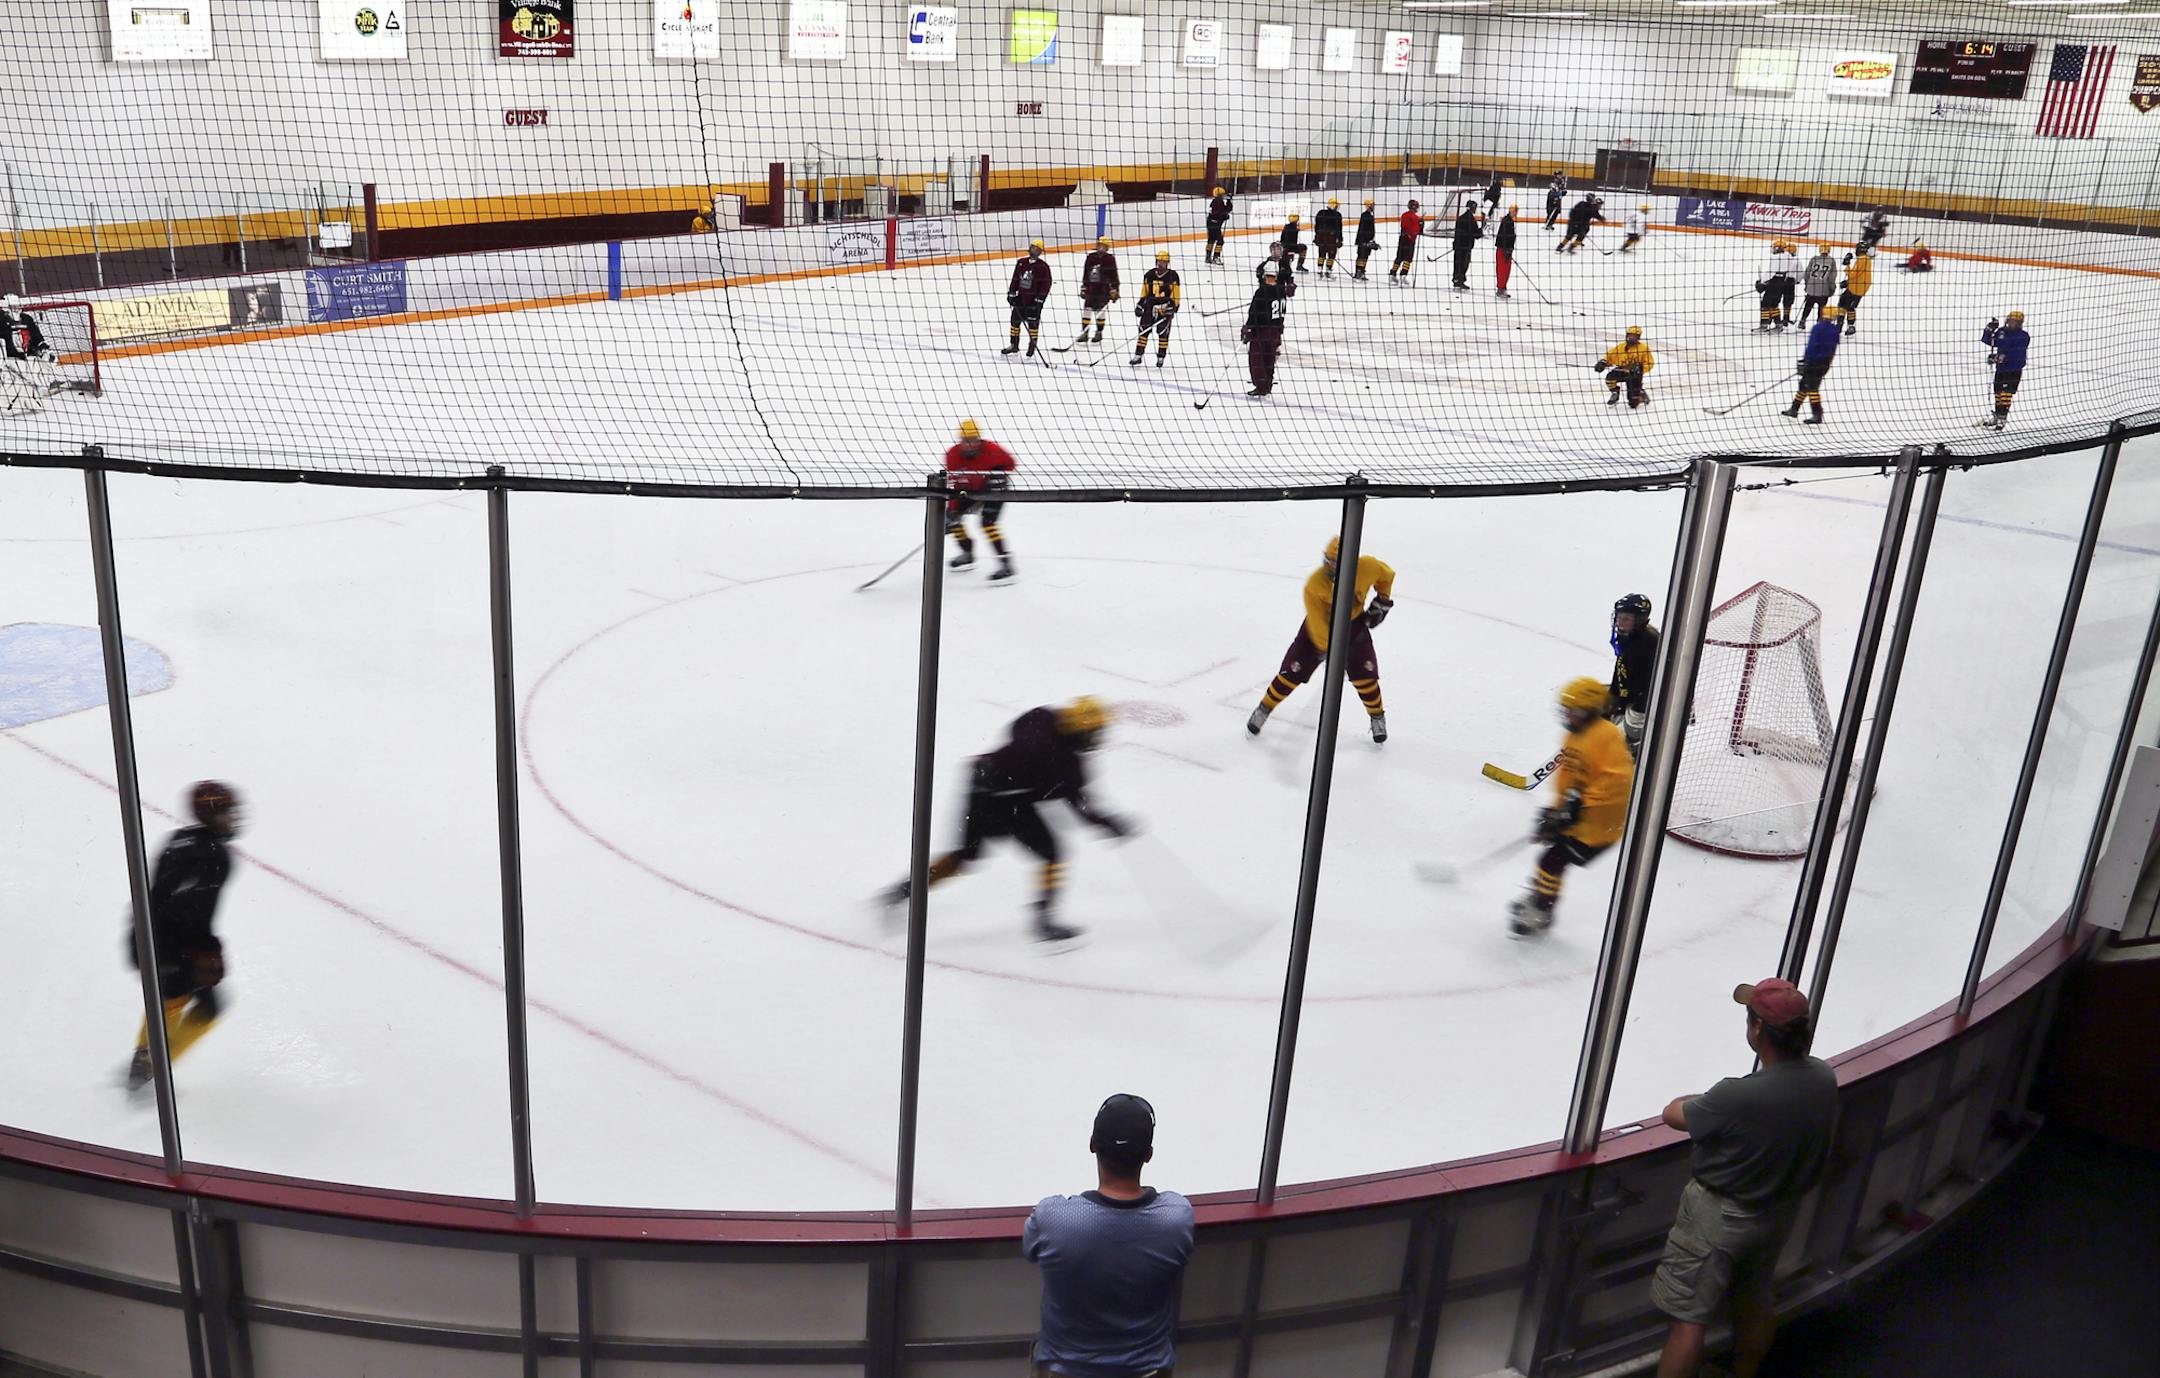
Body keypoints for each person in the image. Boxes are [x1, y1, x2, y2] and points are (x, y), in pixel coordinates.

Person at [1652, 979, 1839, 1378]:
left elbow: (1674, 1114)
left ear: (1758, 1030)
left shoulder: (1735, 1096)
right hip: (1777, 1212)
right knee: (1755, 1299)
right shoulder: (1823, 1077)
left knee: (1688, 1319)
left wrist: (1696, 1100)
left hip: (1720, 1219)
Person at [879, 699, 1134, 943]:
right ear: (1080, 731)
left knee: (963, 857)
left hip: (980, 783)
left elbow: (1017, 731)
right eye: (1095, 733)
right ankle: (1044, 921)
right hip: (1008, 801)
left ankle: (901, 891)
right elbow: (1079, 806)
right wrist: (1109, 824)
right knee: (1051, 854)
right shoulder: (1066, 764)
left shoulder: (1044, 717)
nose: (1097, 740)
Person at [1024, 1094, 1195, 1378]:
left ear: (1092, 1145)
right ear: (1148, 1154)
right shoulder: (1175, 1219)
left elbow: (1030, 1248)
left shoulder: (1053, 1218)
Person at [124, 782, 245, 1091]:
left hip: (153, 938)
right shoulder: (215, 855)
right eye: (229, 812)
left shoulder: (182, 840)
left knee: (172, 1002)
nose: (235, 818)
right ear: (212, 815)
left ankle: (143, 1067)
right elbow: (186, 907)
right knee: (198, 1006)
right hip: (171, 945)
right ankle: (145, 1073)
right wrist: (203, 951)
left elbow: (161, 896)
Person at [1508, 679, 1633, 936]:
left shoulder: (1606, 736)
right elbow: (1569, 778)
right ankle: (1542, 897)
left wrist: (1577, 805)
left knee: (1552, 860)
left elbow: (1617, 781)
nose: (1567, 715)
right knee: (1552, 860)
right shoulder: (1574, 735)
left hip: (1599, 825)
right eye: (1564, 710)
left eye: (1572, 711)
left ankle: (1542, 909)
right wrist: (1556, 811)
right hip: (1581, 817)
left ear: (1589, 711)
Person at [1247, 535, 1394, 743]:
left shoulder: (1367, 566)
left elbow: (1387, 575)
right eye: (1328, 560)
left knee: (1365, 677)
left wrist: (1383, 600)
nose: (1330, 566)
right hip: (1316, 633)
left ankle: (1377, 716)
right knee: (1291, 672)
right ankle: (1264, 708)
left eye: (1336, 562)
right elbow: (1317, 624)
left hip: (1353, 628)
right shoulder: (1314, 585)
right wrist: (1333, 652)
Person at [944, 419, 1018, 579]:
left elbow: (1011, 463)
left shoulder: (993, 450)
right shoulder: (952, 456)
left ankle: (1006, 564)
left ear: (979, 439)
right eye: (966, 440)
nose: (970, 444)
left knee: (987, 524)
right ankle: (967, 553)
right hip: (969, 490)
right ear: (960, 440)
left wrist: (996, 475)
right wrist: (952, 511)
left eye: (973, 440)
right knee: (952, 519)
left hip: (994, 490)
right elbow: (955, 483)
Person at [1608, 593, 1659, 754]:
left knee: (1621, 742)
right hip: (1633, 698)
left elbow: (1650, 685)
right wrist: (1614, 701)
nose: (1620, 623)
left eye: (1626, 619)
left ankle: (1634, 752)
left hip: (1645, 706)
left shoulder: (1648, 644)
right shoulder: (1628, 637)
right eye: (1619, 617)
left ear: (1640, 620)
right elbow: (1621, 670)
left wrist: (1636, 711)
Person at [1783, 304, 1841, 424]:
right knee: (1804, 384)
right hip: (1825, 363)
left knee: (1812, 387)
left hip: (1813, 362)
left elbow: (1812, 346)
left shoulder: (1818, 328)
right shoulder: (1835, 330)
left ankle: (1817, 414)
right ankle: (1794, 409)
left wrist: (1806, 360)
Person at [1240, 264, 1288, 398]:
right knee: (1269, 359)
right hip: (1276, 332)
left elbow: (1255, 312)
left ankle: (1260, 387)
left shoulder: (1261, 291)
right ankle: (1267, 385)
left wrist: (1249, 328)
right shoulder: (1281, 290)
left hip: (1262, 331)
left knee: (1256, 359)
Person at [1979, 310, 2028, 431]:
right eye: (2011, 320)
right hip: (2001, 369)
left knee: (2006, 393)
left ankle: (2002, 418)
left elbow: (2017, 352)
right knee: (1998, 392)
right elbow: (1989, 341)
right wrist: (1989, 330)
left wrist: (2002, 358)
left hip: (2014, 369)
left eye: (2015, 322)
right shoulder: (2002, 331)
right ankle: (1996, 416)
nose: (2012, 323)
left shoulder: (2023, 336)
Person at [1131, 250, 1180, 367]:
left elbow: (1176, 295)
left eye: (1163, 262)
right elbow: (1144, 293)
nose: (1161, 264)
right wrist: (1140, 304)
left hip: (1164, 308)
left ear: (1167, 263)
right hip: (1149, 307)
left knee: (1163, 333)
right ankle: (1138, 355)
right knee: (1143, 330)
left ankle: (1161, 357)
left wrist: (1173, 307)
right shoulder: (1149, 275)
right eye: (1159, 261)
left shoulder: (1173, 276)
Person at [1005, 240, 1053, 357]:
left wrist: (1039, 300)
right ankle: (1014, 345)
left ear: (1040, 252)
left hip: (1033, 301)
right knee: (1015, 321)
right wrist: (1012, 292)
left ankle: (1032, 344)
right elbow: (1016, 279)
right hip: (1021, 298)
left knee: (1033, 324)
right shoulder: (1021, 262)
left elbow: (1046, 285)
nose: (1033, 250)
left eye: (1036, 249)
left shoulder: (1043, 267)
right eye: (1032, 247)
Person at [1594, 325, 1654, 410]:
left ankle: (1640, 393)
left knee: (1633, 404)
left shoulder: (1644, 348)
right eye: (1630, 335)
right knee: (1610, 378)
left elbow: (1650, 363)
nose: (1631, 338)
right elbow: (1610, 356)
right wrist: (1603, 362)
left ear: (1638, 337)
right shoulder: (1621, 347)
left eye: (1634, 336)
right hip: (1622, 371)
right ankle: (1615, 392)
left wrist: (1640, 368)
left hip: (1635, 375)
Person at [1075, 237, 1121, 345]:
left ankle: (1099, 332)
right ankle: (1085, 333)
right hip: (1091, 288)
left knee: (1100, 311)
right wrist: (1084, 287)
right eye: (1099, 245)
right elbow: (1086, 272)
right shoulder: (1090, 257)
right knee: (1087, 309)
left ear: (1107, 247)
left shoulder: (1110, 259)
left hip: (1103, 289)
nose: (1101, 247)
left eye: (1103, 246)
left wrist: (1115, 289)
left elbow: (1113, 275)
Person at [1754, 239, 1797, 333]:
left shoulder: (1776, 258)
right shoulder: (1789, 257)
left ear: (1778, 248)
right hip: (1783, 283)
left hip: (1774, 283)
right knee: (1774, 304)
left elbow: (1771, 272)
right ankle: (1778, 325)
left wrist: (1761, 282)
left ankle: (1764, 325)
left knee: (1765, 303)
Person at [1797, 243, 1837, 325]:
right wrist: (1832, 288)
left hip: (1811, 288)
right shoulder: (1831, 261)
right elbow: (1832, 277)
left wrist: (1807, 285)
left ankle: (1802, 320)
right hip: (1824, 290)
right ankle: (1819, 322)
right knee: (1821, 308)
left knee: (1808, 306)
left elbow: (1807, 273)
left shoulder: (1814, 259)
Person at [1837, 246, 1872, 335]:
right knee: (1850, 307)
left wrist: (1847, 266)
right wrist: (1848, 282)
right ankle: (1851, 326)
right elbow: (1859, 275)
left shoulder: (1861, 260)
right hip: (1862, 288)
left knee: (1842, 304)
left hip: (1855, 288)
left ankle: (1839, 326)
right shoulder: (1868, 260)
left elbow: (1853, 275)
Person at [1449, 201, 1483, 291]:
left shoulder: (1461, 218)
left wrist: (1455, 243)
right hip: (1465, 246)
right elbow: (1476, 234)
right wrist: (1481, 230)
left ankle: (1457, 279)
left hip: (1459, 245)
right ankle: (1459, 280)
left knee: (1457, 263)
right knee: (1463, 264)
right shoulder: (1471, 219)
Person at [1390, 199, 1423, 283]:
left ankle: (1392, 273)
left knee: (1399, 257)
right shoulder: (1416, 218)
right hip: (1410, 240)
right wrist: (1421, 224)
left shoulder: (1404, 215)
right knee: (1408, 258)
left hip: (1402, 238)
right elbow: (1417, 231)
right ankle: (1403, 275)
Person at [1312, 196, 1344, 277]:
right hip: (1331, 238)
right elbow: (1339, 229)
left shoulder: (1321, 213)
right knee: (1331, 254)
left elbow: (1316, 226)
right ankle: (1328, 270)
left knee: (1321, 253)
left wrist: (1316, 237)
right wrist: (1340, 239)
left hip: (1321, 237)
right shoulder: (1337, 215)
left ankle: (1320, 269)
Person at [1492, 204, 1518, 299]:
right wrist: (1507, 249)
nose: (1514, 213)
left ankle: (1503, 287)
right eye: (1513, 210)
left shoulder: (1509, 221)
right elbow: (1504, 236)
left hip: (1507, 249)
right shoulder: (1507, 221)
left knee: (1506, 270)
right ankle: (1500, 288)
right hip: (1503, 249)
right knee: (1502, 270)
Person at [1204, 186, 1233, 264]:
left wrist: (1229, 201)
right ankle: (1216, 257)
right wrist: (1224, 216)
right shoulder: (1217, 202)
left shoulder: (1217, 201)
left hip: (1212, 223)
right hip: (1214, 223)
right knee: (1220, 241)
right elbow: (1220, 212)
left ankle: (1208, 256)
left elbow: (1226, 209)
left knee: (1211, 240)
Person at [1353, 197, 1379, 280]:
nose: (1373, 207)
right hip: (1363, 240)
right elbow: (1363, 229)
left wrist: (1372, 239)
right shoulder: (1365, 215)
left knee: (1366, 256)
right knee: (1361, 256)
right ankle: (1358, 272)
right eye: (1371, 205)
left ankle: (1362, 270)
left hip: (1368, 240)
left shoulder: (1370, 215)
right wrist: (1364, 240)